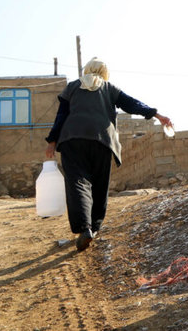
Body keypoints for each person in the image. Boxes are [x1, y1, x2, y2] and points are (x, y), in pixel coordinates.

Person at [45, 58, 172, 252]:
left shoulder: (72, 87)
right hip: (102, 140)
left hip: (72, 139)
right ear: (104, 72)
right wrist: (156, 114)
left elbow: (61, 115)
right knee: (99, 184)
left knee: (78, 182)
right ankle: (94, 227)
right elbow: (131, 104)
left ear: (86, 70)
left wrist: (52, 142)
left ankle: (84, 228)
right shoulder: (109, 88)